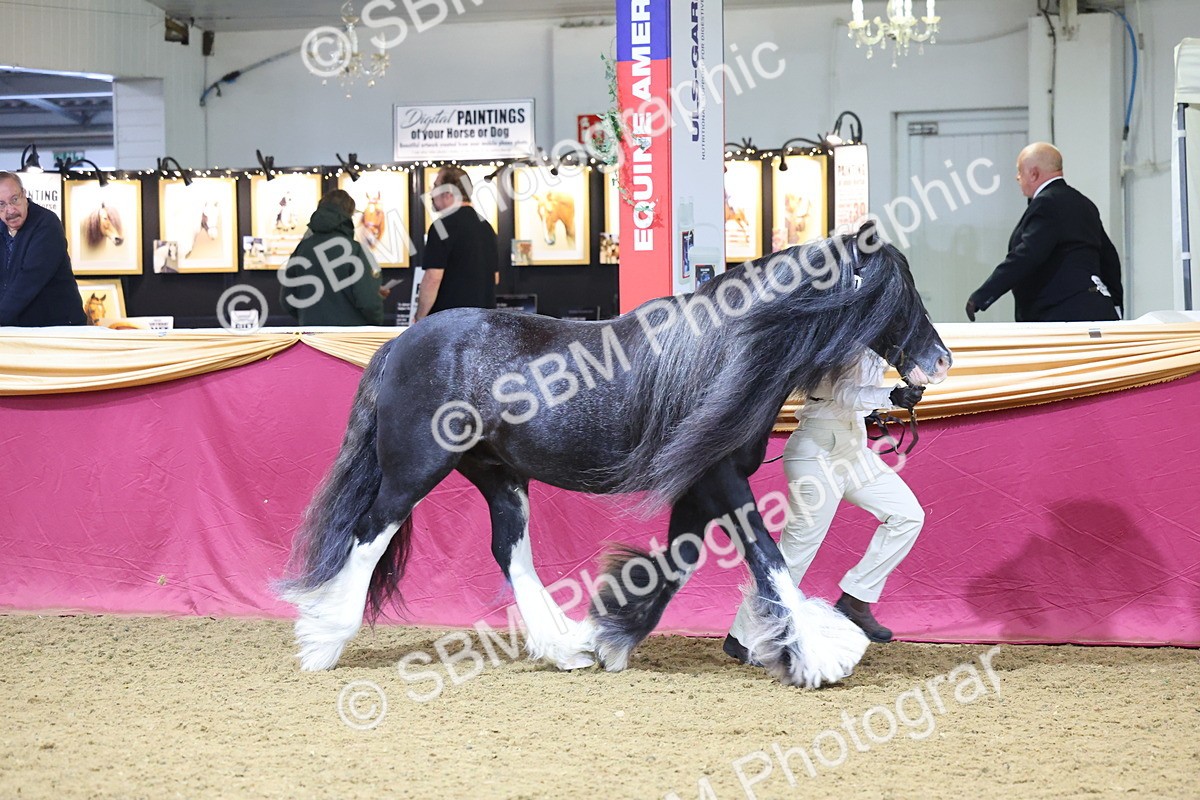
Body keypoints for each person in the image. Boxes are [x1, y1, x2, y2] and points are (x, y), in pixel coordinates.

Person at [724, 350, 927, 661]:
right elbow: (842, 392)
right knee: (797, 551)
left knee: (908, 516)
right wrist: (891, 396)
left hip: (854, 449)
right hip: (818, 452)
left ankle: (856, 598)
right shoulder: (836, 334)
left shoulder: (876, 340)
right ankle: (743, 636)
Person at [966, 142, 1123, 323]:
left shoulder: (1047, 204)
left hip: (1061, 316)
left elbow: (1027, 255)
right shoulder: (1084, 203)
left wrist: (982, 296)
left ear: (1034, 173)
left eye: (1019, 171)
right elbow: (1109, 258)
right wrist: (1116, 305)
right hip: (1096, 311)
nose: (1017, 178)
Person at [279, 189, 384, 326]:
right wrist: (377, 321)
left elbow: (286, 300)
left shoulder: (302, 250)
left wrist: (308, 317)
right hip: (348, 339)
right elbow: (368, 302)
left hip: (311, 337)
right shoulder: (356, 250)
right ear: (348, 215)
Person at [0, 171, 86, 326]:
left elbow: (29, 280)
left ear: (24, 195)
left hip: (58, 328)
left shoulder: (47, 224)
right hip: (18, 329)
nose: (10, 210)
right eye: (1, 204)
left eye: (14, 200)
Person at [414, 165, 497, 322]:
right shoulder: (487, 228)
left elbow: (433, 278)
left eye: (435, 186)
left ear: (448, 193)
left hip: (450, 327)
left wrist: (419, 318)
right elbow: (496, 278)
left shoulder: (442, 227)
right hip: (483, 325)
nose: (431, 193)